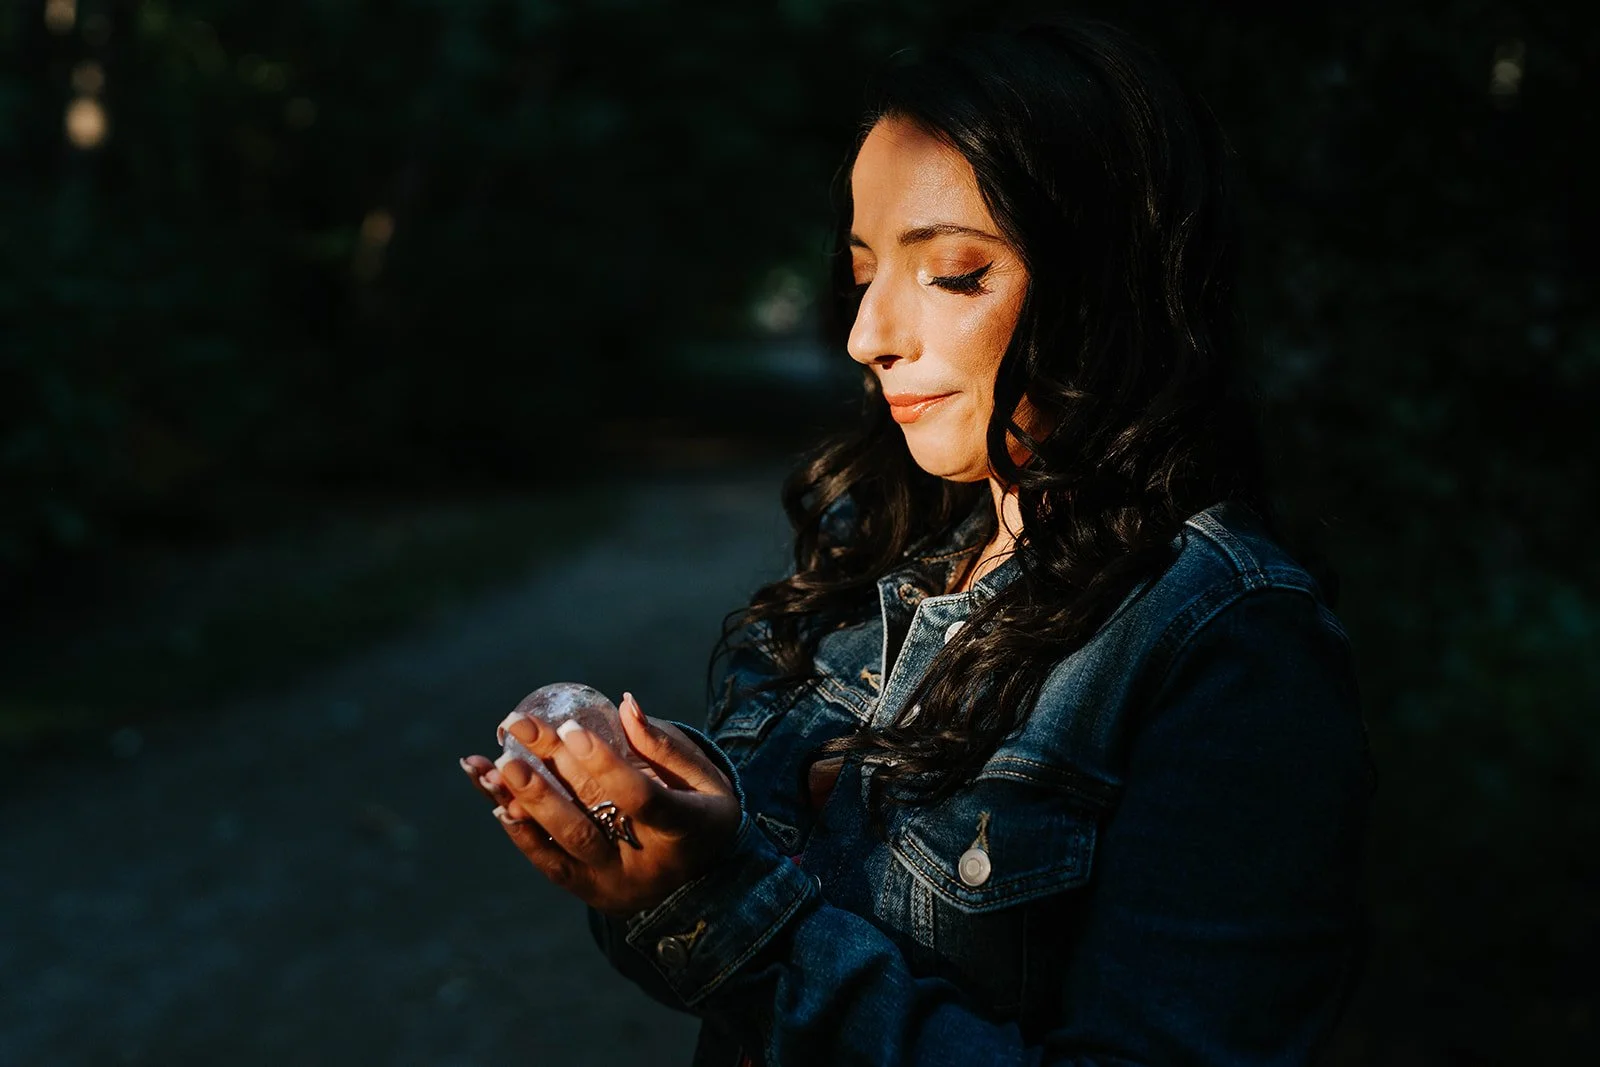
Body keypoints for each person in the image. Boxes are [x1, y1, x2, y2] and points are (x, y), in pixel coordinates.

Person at [460, 14, 1375, 1066]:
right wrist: (652, 854)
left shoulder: (1232, 649)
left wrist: (728, 905)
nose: (867, 336)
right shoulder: (889, 555)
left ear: (1115, 281)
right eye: (861, 272)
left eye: (949, 273)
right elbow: (731, 988)